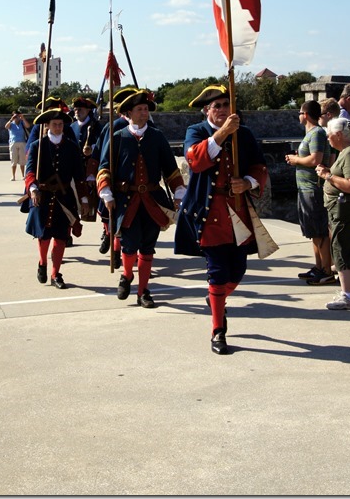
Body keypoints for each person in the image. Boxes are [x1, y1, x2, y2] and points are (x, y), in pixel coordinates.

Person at [174, 85, 268, 355]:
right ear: (207, 110)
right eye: (217, 107)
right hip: (209, 212)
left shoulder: (245, 134)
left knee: (238, 270)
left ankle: (216, 299)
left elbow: (259, 167)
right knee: (216, 271)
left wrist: (247, 183)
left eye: (227, 106)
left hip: (237, 210)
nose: (223, 111)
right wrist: (224, 132)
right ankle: (218, 330)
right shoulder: (196, 131)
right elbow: (195, 161)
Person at [97, 89, 186, 309]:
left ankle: (143, 292)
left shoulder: (157, 136)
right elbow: (104, 168)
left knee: (147, 247)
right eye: (140, 109)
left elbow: (171, 169)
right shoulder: (118, 138)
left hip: (152, 201)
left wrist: (179, 192)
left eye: (146, 109)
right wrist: (106, 192)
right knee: (129, 245)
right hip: (126, 202)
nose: (144, 113)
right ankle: (126, 275)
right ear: (129, 113)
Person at [24, 107, 90, 289]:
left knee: (61, 237)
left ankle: (56, 274)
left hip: (64, 198)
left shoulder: (72, 146)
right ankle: (42, 263)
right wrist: (33, 187)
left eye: (61, 124)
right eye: (54, 124)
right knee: (44, 236)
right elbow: (29, 171)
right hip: (42, 197)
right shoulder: (38, 146)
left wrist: (84, 199)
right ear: (47, 126)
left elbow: (79, 176)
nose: (58, 127)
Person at [316, 117, 350, 310]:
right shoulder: (349, 152)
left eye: (330, 135)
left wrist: (327, 176)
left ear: (338, 135)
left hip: (346, 206)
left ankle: (348, 295)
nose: (328, 139)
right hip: (347, 206)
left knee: (340, 247)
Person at [86, 86, 138, 264]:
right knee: (115, 218)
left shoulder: (149, 127)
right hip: (116, 180)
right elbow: (101, 154)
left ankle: (125, 254)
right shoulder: (114, 127)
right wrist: (95, 175)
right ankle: (116, 253)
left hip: (139, 183)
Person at [286, 100, 335, 285]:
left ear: (305, 114)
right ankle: (318, 267)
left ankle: (326, 270)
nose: (299, 115)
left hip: (313, 188)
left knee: (320, 231)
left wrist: (295, 159)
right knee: (313, 231)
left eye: (300, 112)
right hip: (306, 188)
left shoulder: (316, 133)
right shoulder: (313, 133)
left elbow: (316, 159)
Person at [5, 110, 30, 180]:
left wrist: (23, 118)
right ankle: (13, 176)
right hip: (13, 142)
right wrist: (11, 119)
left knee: (22, 160)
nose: (16, 118)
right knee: (14, 160)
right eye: (15, 116)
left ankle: (23, 175)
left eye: (17, 116)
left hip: (22, 142)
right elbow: (6, 126)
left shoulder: (22, 123)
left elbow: (28, 126)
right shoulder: (11, 124)